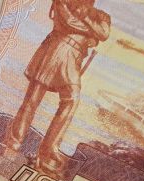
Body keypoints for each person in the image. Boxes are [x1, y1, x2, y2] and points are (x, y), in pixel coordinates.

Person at [6, 0, 110, 171]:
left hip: (74, 58)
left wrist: (87, 20)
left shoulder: (102, 16)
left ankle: (48, 151)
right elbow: (69, 22)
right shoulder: (64, 2)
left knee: (72, 99)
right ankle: (13, 144)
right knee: (32, 100)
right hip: (56, 50)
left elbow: (104, 34)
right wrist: (91, 33)